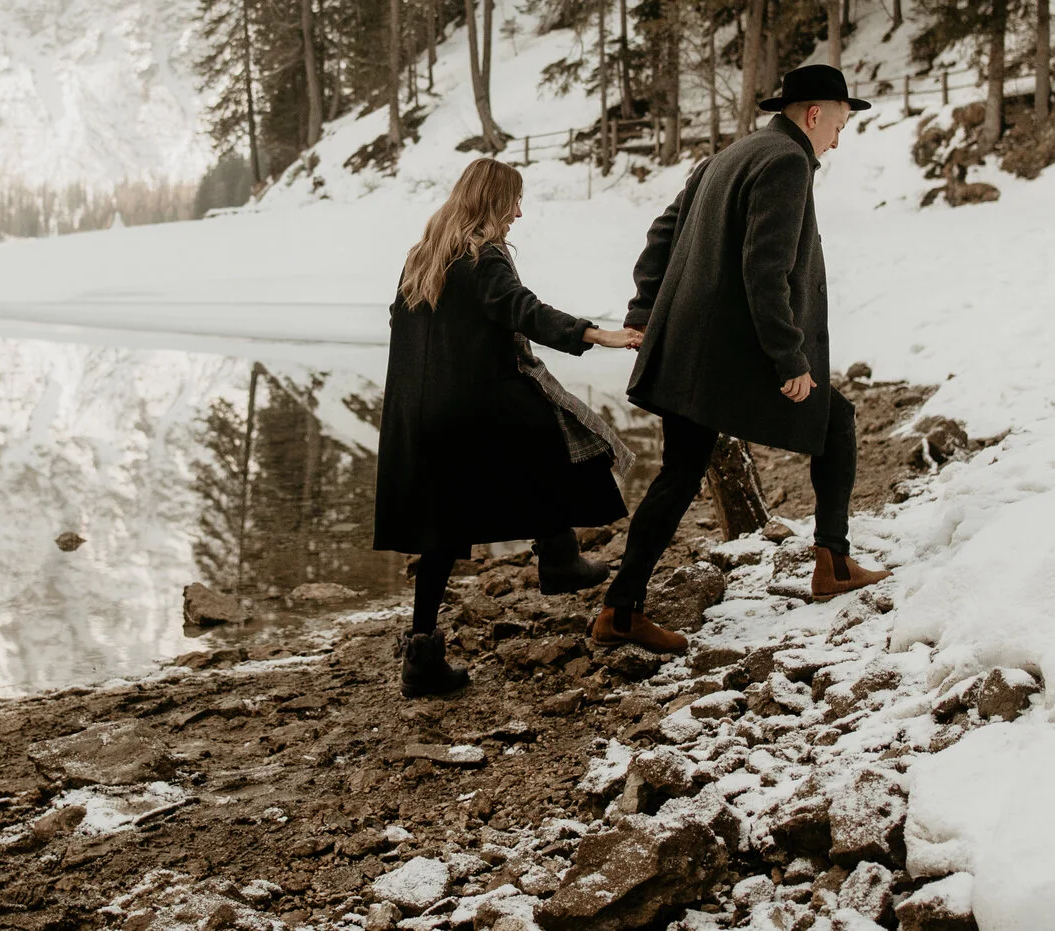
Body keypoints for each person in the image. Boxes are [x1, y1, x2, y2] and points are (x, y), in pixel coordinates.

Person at [591, 64, 890, 656]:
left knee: (680, 471)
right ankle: (833, 562)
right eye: (840, 120)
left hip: (688, 345)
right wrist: (789, 359)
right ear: (812, 114)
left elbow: (661, 232)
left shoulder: (729, 156)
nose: (839, 135)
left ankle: (620, 609)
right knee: (836, 420)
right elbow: (765, 270)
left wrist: (645, 310)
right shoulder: (785, 162)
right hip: (727, 350)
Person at [377, 158, 643, 698]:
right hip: (472, 408)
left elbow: (400, 323)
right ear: (492, 202)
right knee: (562, 434)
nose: (519, 213)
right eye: (513, 201)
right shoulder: (484, 257)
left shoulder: (423, 257)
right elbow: (522, 309)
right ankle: (560, 558)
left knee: (441, 534)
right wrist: (595, 334)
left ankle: (422, 655)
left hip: (420, 418)